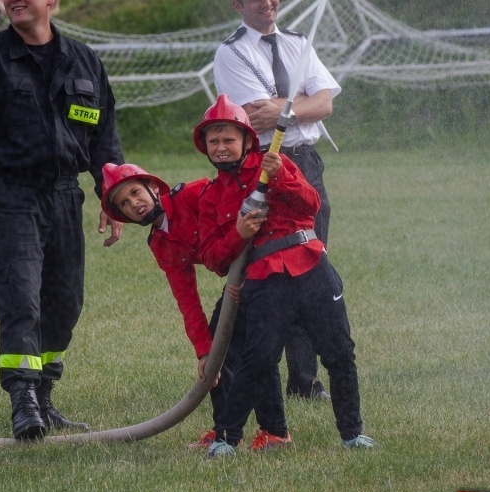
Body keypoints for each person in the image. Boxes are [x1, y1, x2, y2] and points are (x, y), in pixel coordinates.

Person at [0, 0, 125, 439]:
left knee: (64, 302)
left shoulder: (84, 60)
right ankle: (22, 401)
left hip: (65, 195)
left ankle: (45, 398)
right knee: (21, 296)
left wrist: (113, 193)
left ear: (52, 4)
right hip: (12, 196)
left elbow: (104, 136)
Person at [195, 94, 376, 457]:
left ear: (247, 139)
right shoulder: (211, 197)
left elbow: (311, 204)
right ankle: (227, 439)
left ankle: (352, 434)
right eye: (214, 141)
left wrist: (280, 178)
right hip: (263, 280)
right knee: (258, 359)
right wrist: (240, 233)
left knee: (339, 353)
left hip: (312, 267)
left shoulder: (274, 163)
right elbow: (213, 258)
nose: (221, 147)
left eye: (228, 139)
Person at [100, 162, 291, 451]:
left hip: (269, 264)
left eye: (136, 192)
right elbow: (186, 299)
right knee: (217, 349)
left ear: (153, 188)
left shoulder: (194, 194)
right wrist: (203, 352)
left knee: (255, 349)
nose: (133, 204)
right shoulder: (160, 243)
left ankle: (273, 432)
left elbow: (240, 205)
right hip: (241, 278)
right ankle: (226, 433)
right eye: (124, 203)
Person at [213, 0, 341, 400]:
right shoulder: (231, 52)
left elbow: (324, 104)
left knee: (308, 266)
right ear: (238, 5)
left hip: (307, 166)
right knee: (262, 274)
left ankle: (303, 382)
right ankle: (237, 370)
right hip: (265, 167)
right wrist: (301, 106)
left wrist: (289, 108)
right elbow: (260, 117)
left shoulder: (299, 43)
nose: (268, 4)